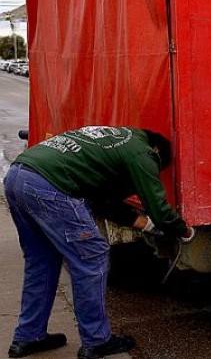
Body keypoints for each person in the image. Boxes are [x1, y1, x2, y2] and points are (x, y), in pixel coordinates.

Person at [3, 126, 195, 359]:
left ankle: (28, 337)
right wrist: (182, 230)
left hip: (18, 177)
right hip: (49, 185)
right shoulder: (143, 152)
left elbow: (102, 202)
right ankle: (96, 341)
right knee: (91, 257)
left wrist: (146, 224)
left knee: (42, 260)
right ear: (156, 150)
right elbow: (160, 210)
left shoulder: (115, 141)